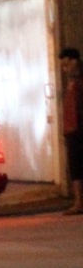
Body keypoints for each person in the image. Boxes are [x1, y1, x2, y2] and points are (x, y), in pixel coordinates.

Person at [59, 47, 83, 215]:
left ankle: (79, 203)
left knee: (77, 167)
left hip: (78, 130)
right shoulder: (71, 83)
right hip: (72, 131)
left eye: (67, 64)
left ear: (75, 61)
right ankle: (79, 201)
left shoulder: (79, 82)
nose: (65, 69)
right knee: (75, 167)